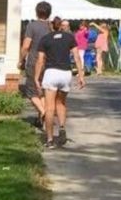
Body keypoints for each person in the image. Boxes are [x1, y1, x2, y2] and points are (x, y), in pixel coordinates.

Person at [35, 16, 85, 149]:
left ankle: (50, 139)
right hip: (65, 73)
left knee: (49, 108)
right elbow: (77, 57)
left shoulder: (45, 39)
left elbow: (40, 60)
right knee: (61, 103)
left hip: (51, 72)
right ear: (62, 26)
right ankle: (62, 127)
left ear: (51, 25)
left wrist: (36, 77)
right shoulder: (69, 37)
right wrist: (81, 76)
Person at [19, 1, 51, 128]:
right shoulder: (50, 27)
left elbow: (26, 46)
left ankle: (43, 113)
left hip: (34, 61)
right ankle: (41, 120)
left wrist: (21, 60)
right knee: (41, 92)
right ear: (49, 13)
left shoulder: (32, 26)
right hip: (48, 63)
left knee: (31, 92)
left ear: (36, 12)